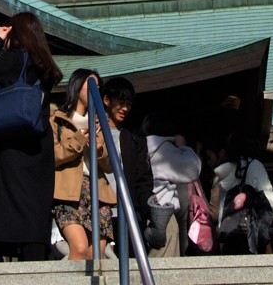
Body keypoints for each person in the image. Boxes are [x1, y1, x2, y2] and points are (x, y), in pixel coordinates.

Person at [0, 12, 62, 261]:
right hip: (38, 145)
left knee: (4, 210)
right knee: (33, 213)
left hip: (11, 143)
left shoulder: (14, 59)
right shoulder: (47, 67)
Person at [52, 68, 117, 260]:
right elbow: (54, 155)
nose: (94, 90)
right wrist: (79, 141)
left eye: (98, 87)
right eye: (90, 85)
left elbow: (110, 165)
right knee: (79, 248)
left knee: (94, 255)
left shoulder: (100, 122)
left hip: (98, 191)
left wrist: (99, 151)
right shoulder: (58, 119)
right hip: (69, 192)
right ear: (77, 86)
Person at [213, 132, 273, 254]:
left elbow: (223, 206)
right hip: (250, 233)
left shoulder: (225, 171)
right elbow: (269, 196)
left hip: (229, 234)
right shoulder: (254, 166)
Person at [101, 76, 153, 254]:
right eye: (121, 102)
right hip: (99, 211)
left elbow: (143, 178)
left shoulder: (134, 137)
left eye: (129, 103)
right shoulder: (91, 130)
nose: (125, 108)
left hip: (127, 212)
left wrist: (148, 210)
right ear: (106, 100)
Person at [143, 112, 202, 257]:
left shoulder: (141, 146)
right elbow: (192, 168)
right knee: (161, 264)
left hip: (147, 209)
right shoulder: (163, 149)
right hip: (163, 214)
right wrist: (183, 147)